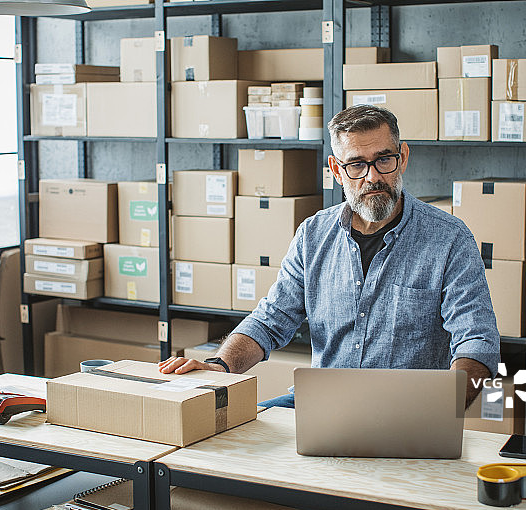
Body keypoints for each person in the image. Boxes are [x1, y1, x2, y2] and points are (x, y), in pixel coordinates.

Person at [160, 105, 500, 408]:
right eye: (356, 165)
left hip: (405, 410)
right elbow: (270, 319)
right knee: (236, 435)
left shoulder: (449, 238)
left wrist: (444, 405)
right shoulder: (313, 235)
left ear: (403, 157)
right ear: (336, 170)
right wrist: (219, 366)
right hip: (321, 405)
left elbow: (478, 340)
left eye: (384, 159)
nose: (374, 177)